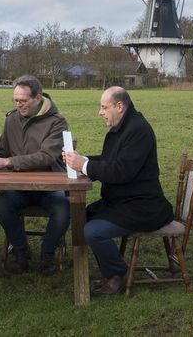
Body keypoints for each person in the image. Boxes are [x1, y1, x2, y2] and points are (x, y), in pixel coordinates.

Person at [63, 86, 173, 296]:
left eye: (104, 107)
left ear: (119, 106)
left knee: (93, 231)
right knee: (81, 215)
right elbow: (109, 161)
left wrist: (83, 166)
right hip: (123, 201)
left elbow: (122, 171)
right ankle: (105, 272)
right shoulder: (123, 128)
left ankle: (119, 275)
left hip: (143, 206)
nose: (100, 112)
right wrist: (82, 160)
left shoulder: (138, 130)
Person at [0, 75, 70, 275]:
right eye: (15, 100)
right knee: (1, 204)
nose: (18, 105)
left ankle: (48, 253)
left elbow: (46, 156)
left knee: (63, 208)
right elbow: (3, 151)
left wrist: (9, 162)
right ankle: (21, 251)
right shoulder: (11, 119)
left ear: (37, 98)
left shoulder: (57, 122)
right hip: (19, 186)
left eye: (23, 101)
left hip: (49, 187)